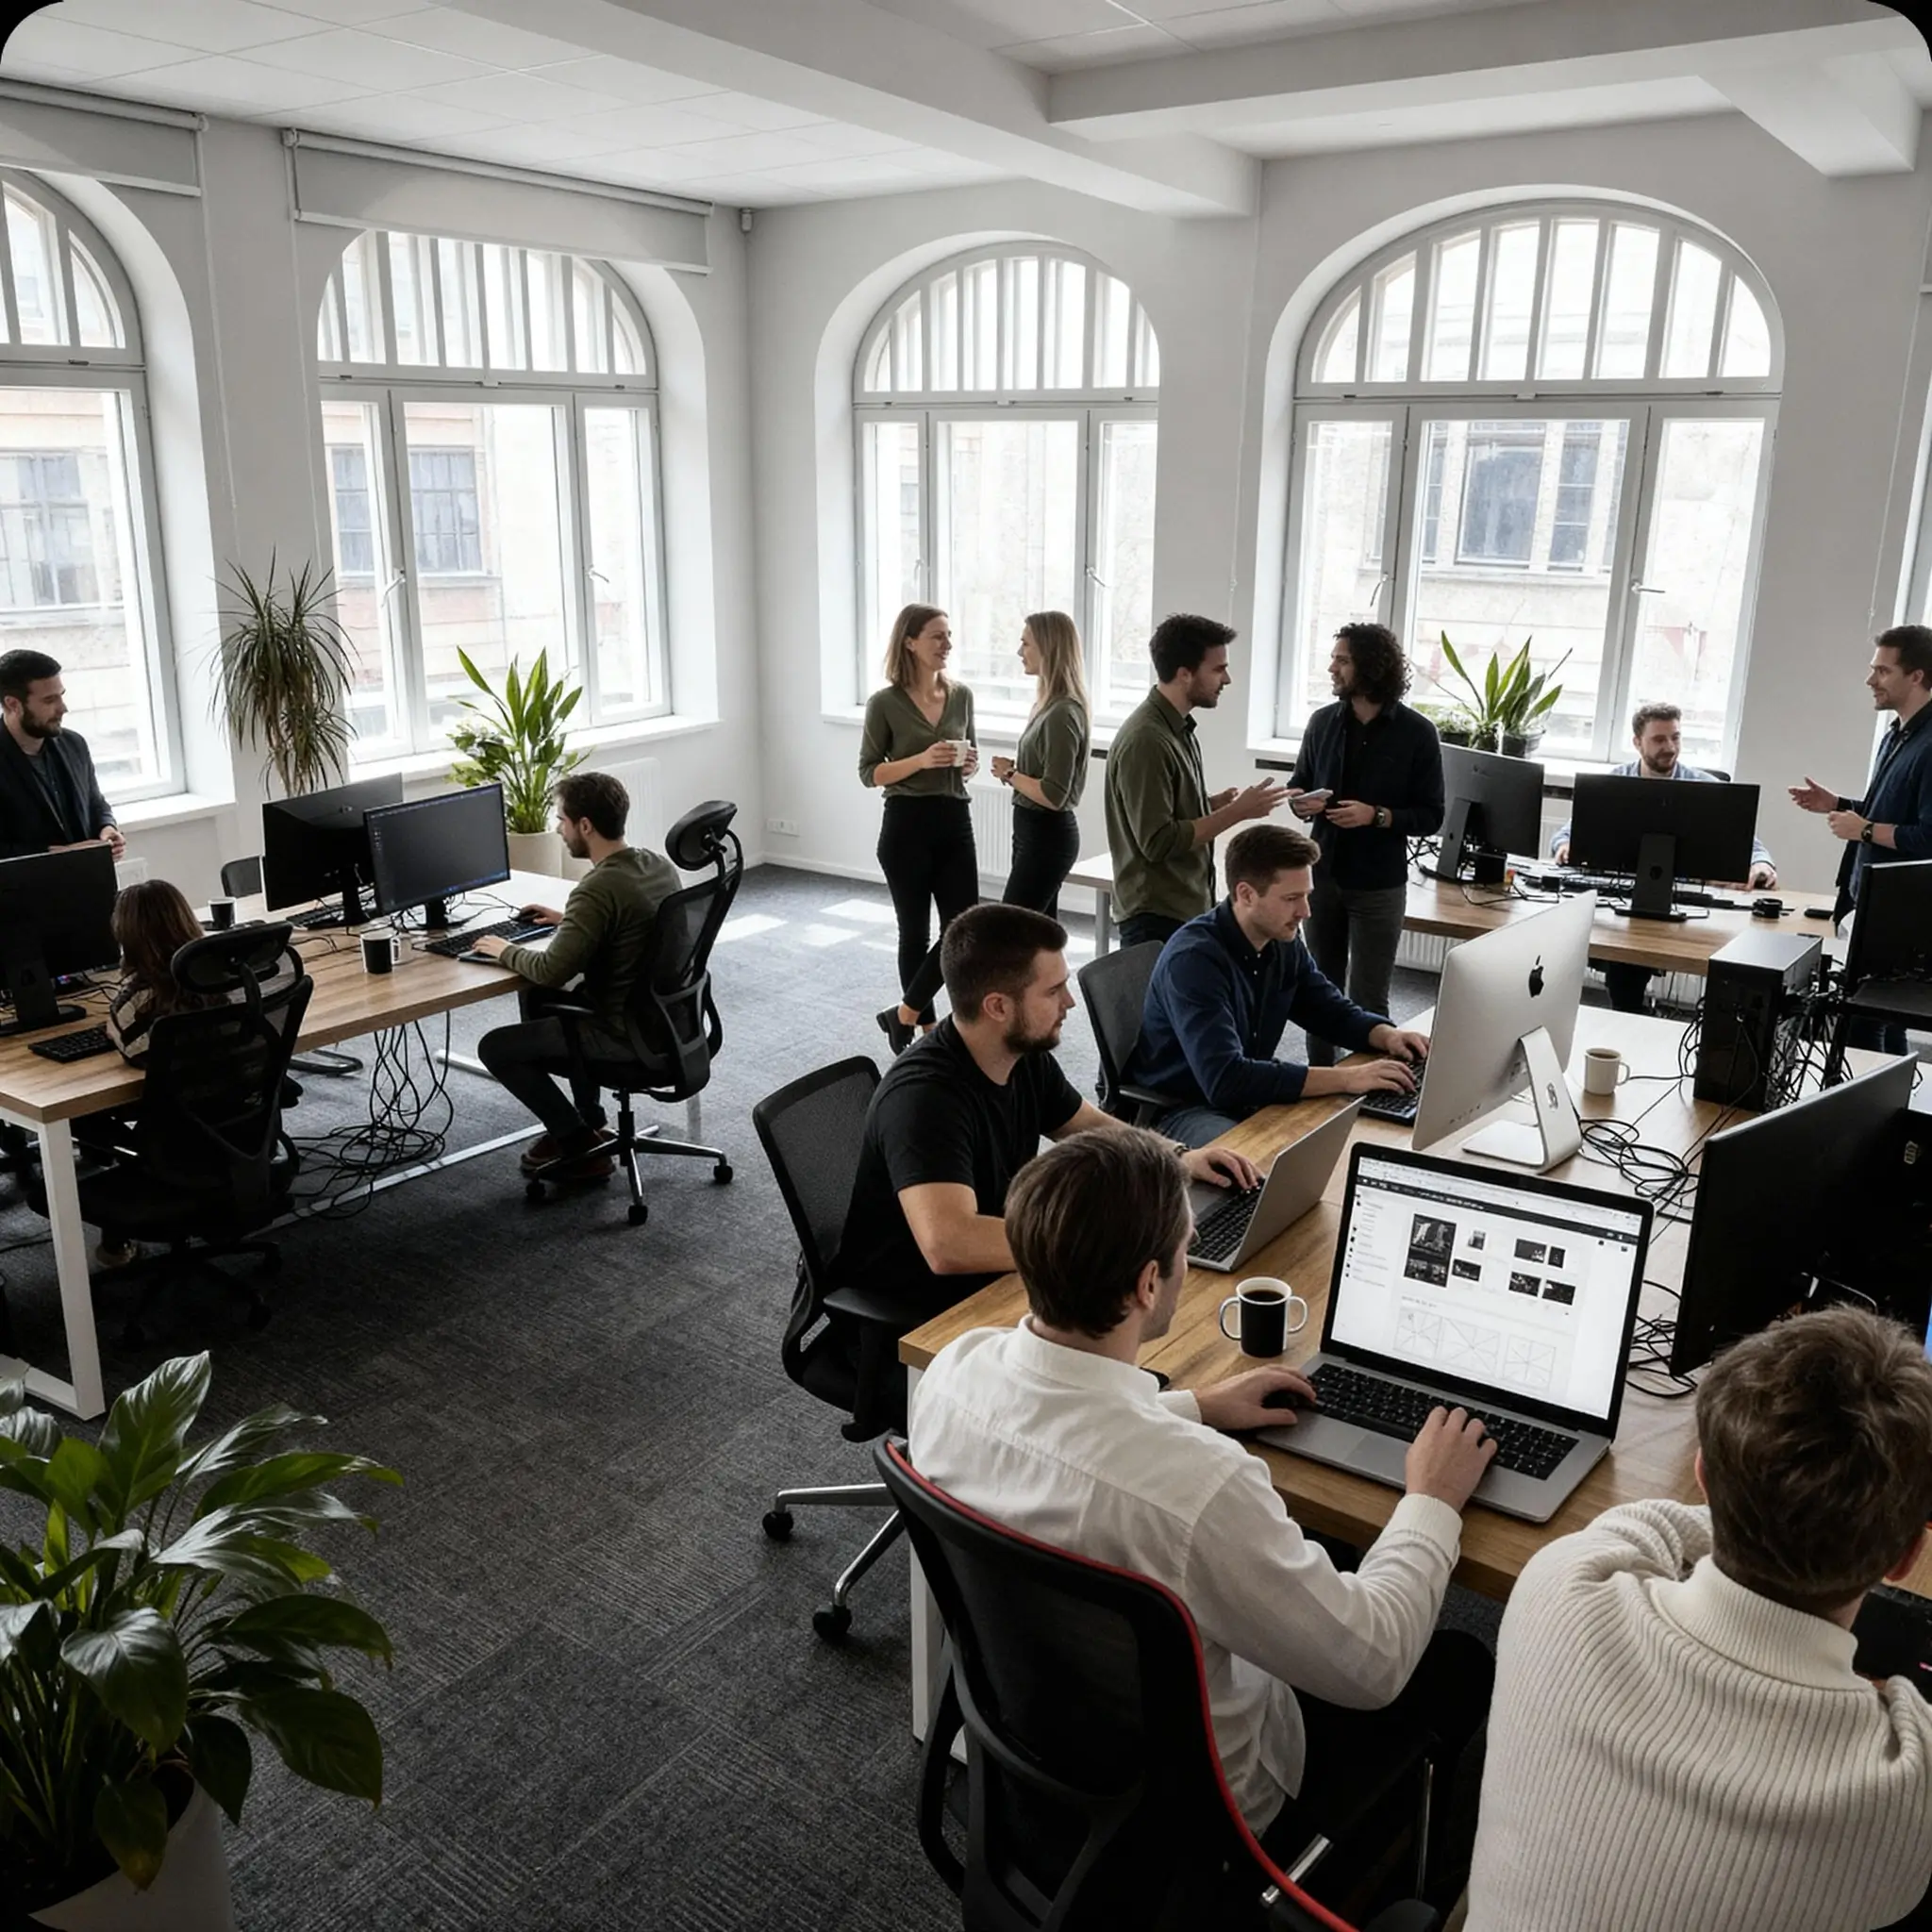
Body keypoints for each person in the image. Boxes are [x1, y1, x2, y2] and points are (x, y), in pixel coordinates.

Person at [909, 1124, 1497, 1904]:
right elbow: (1374, 1664)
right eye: (1187, 1249)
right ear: (1148, 1285)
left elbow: (1068, 1435)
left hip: (1043, 1741)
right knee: (1455, 1664)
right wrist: (1430, 1499)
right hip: (1212, 1806)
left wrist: (1191, 1405)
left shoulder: (953, 1371)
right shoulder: (1202, 1492)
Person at [1464, 1305, 1932, 1932]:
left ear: (1704, 1478)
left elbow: (1642, 1524)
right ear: (1906, 1558)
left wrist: (1758, 1501)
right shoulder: (1908, 1789)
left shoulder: (1558, 1589)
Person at [839, 902, 1257, 1316]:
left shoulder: (1019, 1053)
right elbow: (950, 1244)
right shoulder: (923, 1100)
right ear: (998, 1007)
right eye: (1054, 990)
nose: (1070, 1002)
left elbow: (1086, 1124)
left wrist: (1178, 1158)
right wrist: (1101, 1247)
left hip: (1003, 1269)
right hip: (925, 1309)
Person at [1125, 824, 1430, 1148]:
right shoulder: (1194, 961)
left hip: (1246, 1096)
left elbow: (1327, 1010)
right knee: (1256, 1166)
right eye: (1291, 898)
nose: (1305, 911)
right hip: (1182, 1108)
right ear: (1246, 894)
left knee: (1345, 1138)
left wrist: (1386, 1035)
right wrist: (1346, 1078)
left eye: (1306, 896)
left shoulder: (1280, 940)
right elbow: (1226, 1080)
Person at [473, 771, 680, 1183]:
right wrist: (570, 921)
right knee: (536, 1002)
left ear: (585, 825)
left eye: (561, 820)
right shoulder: (655, 865)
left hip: (619, 1032)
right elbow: (634, 923)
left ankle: (577, 1142)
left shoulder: (597, 888)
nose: (558, 829)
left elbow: (550, 970)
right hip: (668, 1021)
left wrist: (503, 948)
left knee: (496, 1046)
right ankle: (588, 1120)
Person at [1552, 700, 1778, 1013]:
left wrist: (1761, 864)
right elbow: (1564, 836)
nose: (1670, 747)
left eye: (1675, 737)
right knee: (1608, 960)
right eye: (1659, 739)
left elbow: (1753, 847)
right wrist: (1564, 848)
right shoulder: (1615, 785)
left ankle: (1627, 1022)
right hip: (1623, 902)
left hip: (1683, 906)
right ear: (1637, 742)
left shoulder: (1705, 790)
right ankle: (1621, 1023)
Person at [1288, 624, 1443, 1064]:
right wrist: (1301, 803)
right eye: (1334, 658)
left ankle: (1372, 1094)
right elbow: (1299, 784)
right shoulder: (1322, 723)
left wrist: (1376, 816)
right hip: (1322, 877)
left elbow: (1432, 816)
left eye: (1342, 660)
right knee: (1321, 996)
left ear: (1370, 667)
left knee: (1370, 1001)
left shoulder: (1417, 732)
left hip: (1379, 884)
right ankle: (1321, 1087)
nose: (1332, 667)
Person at [1104, 614, 1291, 952]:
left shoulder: (1178, 728)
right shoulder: (1147, 739)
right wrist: (1237, 813)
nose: (1227, 679)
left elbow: (1166, 809)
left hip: (1180, 906)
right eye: (1218, 669)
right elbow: (1157, 841)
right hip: (1156, 914)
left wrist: (1209, 803)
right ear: (1184, 674)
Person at [1790, 625, 1932, 1054]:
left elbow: (1928, 837)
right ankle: (1891, 1110)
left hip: (1900, 917)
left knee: (1864, 1025)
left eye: (1882, 671)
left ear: (1917, 677)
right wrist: (1838, 803)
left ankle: (1867, 1116)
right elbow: (1890, 813)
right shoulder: (1897, 732)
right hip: (1869, 903)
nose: (1870, 680)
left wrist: (1864, 830)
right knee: (1883, 1022)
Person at [862, 605, 979, 1056]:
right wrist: (919, 760)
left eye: (949, 636)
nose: (947, 644)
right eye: (937, 636)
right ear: (910, 642)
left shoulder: (962, 696)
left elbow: (970, 756)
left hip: (954, 819)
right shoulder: (884, 704)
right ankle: (930, 1035)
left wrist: (966, 764)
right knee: (914, 933)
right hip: (906, 825)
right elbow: (869, 772)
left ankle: (904, 1013)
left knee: (962, 930)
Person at [988, 610, 1091, 919]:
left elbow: (1054, 793)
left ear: (1049, 649)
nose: (1020, 652)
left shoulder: (1062, 712)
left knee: (1010, 930)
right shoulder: (1047, 706)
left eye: (1026, 644)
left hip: (1047, 835)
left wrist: (1009, 773)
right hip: (1031, 829)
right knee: (1038, 936)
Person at [0, 648, 124, 862]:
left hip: (90, 882)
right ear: (13, 704)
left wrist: (107, 828)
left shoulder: (74, 744)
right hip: (22, 891)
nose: (63, 708)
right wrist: (59, 855)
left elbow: (95, 803)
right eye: (49, 701)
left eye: (61, 696)